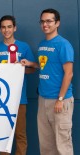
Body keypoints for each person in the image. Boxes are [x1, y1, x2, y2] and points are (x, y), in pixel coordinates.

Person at [21, 8, 74, 155]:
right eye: (43, 21)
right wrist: (32, 64)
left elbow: (68, 73)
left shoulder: (63, 44)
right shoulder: (42, 44)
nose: (45, 24)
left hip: (59, 101)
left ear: (57, 23)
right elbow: (46, 66)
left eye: (49, 21)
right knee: (46, 145)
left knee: (63, 145)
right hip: (43, 100)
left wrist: (60, 99)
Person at [0, 15, 35, 155]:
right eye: (3, 27)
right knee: (4, 136)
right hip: (1, 99)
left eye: (9, 27)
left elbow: (32, 69)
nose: (6, 30)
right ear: (0, 29)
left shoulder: (24, 47)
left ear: (14, 28)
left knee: (20, 135)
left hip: (19, 98)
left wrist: (23, 67)